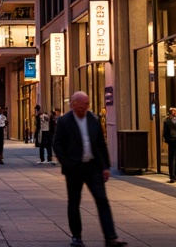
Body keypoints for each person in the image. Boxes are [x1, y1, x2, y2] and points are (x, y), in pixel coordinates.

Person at [53, 91, 127, 247]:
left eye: (88, 103)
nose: (87, 106)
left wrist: (105, 167)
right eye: (84, 104)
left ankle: (111, 237)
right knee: (74, 202)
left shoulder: (93, 119)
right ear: (74, 103)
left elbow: (101, 144)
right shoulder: (64, 121)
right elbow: (57, 144)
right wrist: (67, 163)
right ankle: (76, 237)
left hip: (93, 167)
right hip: (75, 168)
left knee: (102, 200)